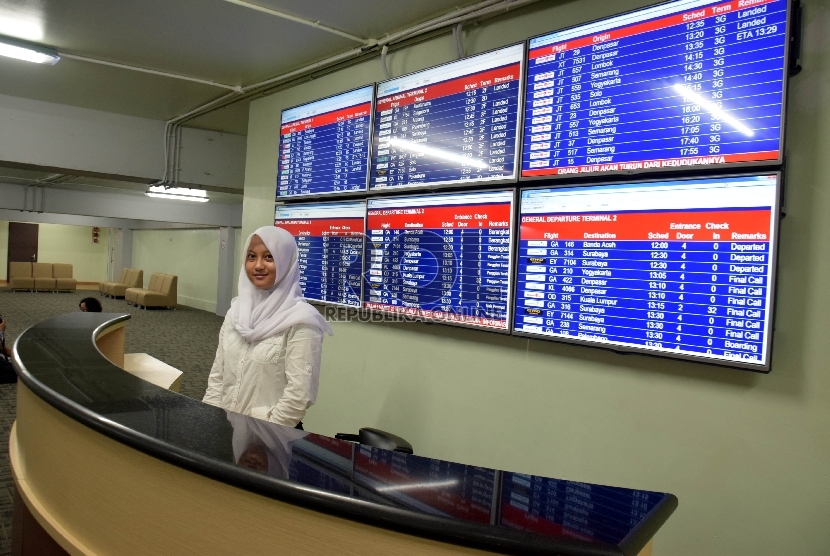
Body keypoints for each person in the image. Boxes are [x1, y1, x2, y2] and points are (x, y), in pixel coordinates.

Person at [203, 226, 332, 429]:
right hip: (225, 429)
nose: (258, 265)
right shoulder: (235, 313)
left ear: (286, 262)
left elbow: (299, 396)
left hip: (268, 440)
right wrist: (211, 421)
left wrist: (263, 436)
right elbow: (218, 377)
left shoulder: (301, 321)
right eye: (252, 256)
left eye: (269, 257)